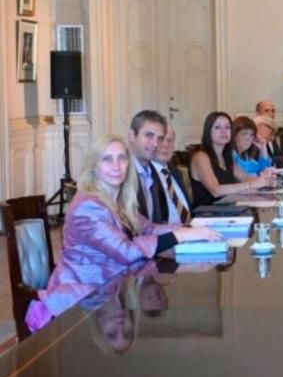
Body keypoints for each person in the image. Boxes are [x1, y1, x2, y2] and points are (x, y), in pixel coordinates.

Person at [25, 136, 222, 332]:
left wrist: (191, 230)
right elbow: (125, 251)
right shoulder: (88, 205)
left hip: (112, 290)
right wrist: (180, 236)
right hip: (83, 298)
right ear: (93, 166)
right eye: (107, 159)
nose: (117, 166)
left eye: (122, 158)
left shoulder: (117, 199)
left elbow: (150, 228)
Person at [190, 112, 277, 207]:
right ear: (208, 131)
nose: (223, 131)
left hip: (229, 209)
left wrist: (266, 181)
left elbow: (246, 177)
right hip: (207, 215)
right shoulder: (201, 157)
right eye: (217, 127)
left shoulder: (226, 157)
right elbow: (216, 191)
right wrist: (251, 184)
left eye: (227, 127)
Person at [128, 110, 169, 223]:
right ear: (132, 136)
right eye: (149, 136)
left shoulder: (154, 172)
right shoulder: (120, 173)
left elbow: (161, 220)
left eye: (160, 138)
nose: (155, 144)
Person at [151, 124, 192, 225]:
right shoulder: (145, 176)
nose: (166, 145)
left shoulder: (176, 173)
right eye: (161, 140)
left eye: (170, 140)